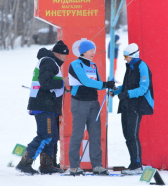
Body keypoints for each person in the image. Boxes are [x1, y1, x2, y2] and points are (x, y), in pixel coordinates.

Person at [16, 40, 69, 175]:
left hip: (48, 106)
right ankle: (24, 163)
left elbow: (49, 83)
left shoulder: (51, 62)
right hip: (43, 105)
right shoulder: (49, 61)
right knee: (45, 136)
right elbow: (45, 83)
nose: (65, 58)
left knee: (52, 137)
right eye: (64, 55)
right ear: (58, 53)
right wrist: (62, 83)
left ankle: (46, 166)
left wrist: (62, 86)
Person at [68, 40, 115, 175]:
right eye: (90, 50)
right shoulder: (75, 64)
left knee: (95, 135)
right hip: (79, 102)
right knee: (77, 134)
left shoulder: (93, 66)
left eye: (94, 50)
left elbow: (98, 82)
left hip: (94, 103)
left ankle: (97, 165)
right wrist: (105, 84)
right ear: (83, 51)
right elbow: (86, 81)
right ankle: (74, 166)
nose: (93, 53)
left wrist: (109, 86)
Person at [110, 43, 154, 175]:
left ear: (133, 55)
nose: (125, 59)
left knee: (132, 135)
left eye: (126, 56)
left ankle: (136, 165)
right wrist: (118, 91)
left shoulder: (142, 66)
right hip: (128, 104)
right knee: (127, 135)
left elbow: (143, 88)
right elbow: (129, 85)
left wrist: (127, 94)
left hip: (137, 104)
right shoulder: (130, 67)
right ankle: (134, 164)